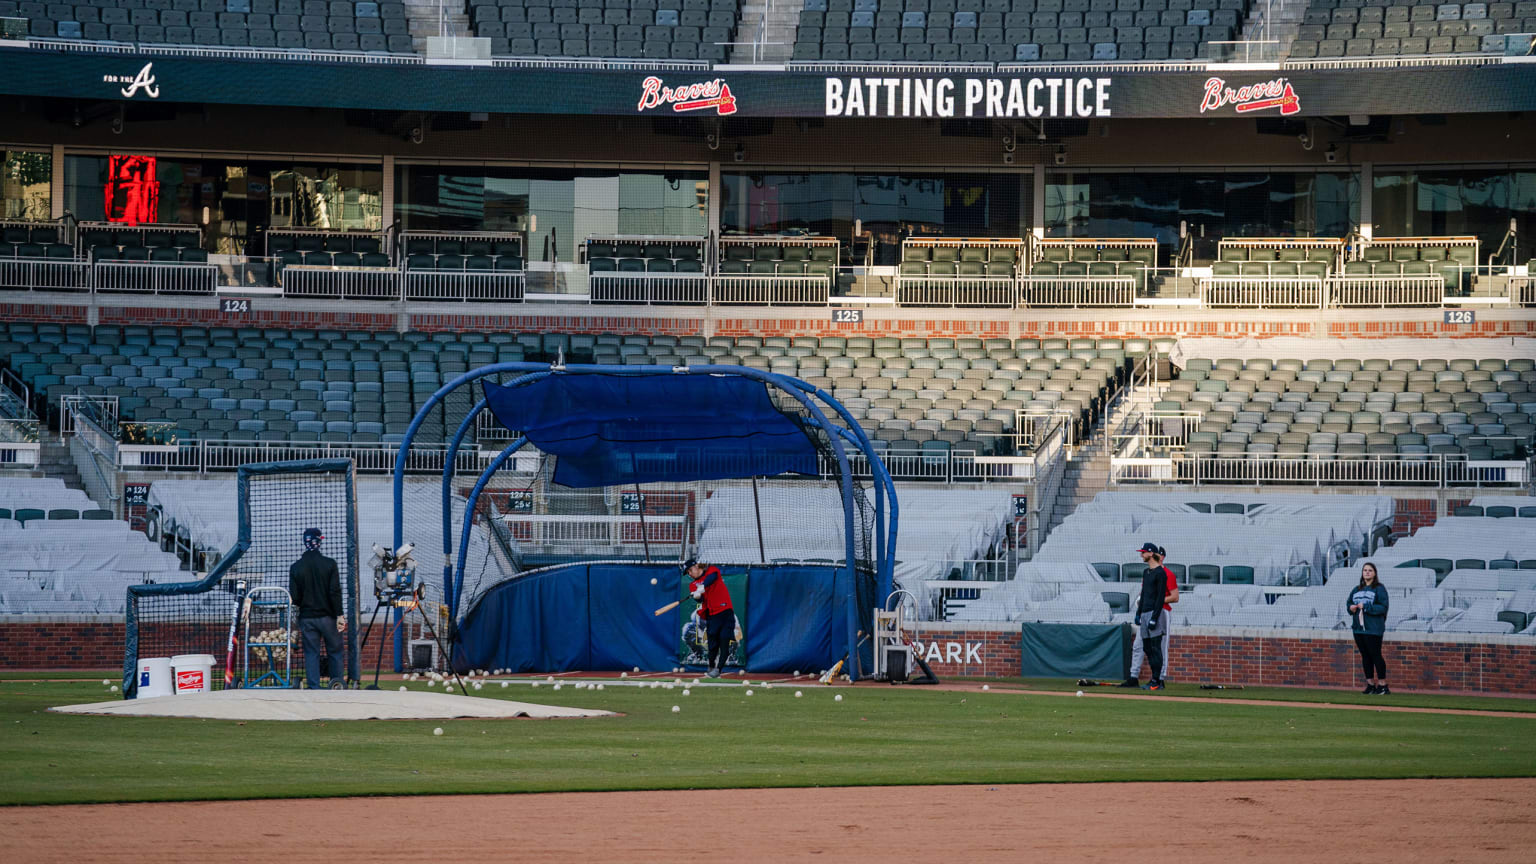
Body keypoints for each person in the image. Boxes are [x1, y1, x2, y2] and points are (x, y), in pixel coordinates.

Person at [289, 527, 347, 690]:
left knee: (311, 653)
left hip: (307, 617)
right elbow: (335, 591)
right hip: (328, 617)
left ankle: (314, 687)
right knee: (335, 651)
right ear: (319, 542)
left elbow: (295, 597)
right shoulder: (329, 564)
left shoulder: (296, 567)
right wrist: (339, 615)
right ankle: (336, 685)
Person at [1121, 542, 1178, 691]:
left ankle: (1159, 679)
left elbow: (1175, 597)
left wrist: (1154, 605)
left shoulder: (1166, 574)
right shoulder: (1148, 572)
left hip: (1160, 612)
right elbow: (1145, 592)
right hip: (1146, 611)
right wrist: (1140, 610)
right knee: (1140, 645)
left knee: (1160, 646)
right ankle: (1135, 677)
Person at [684, 558, 734, 678]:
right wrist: (697, 596)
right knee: (712, 644)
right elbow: (701, 599)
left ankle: (718, 670)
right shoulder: (692, 585)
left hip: (725, 611)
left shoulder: (711, 570)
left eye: (690, 570)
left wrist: (702, 587)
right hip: (712, 615)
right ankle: (711, 666)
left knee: (724, 641)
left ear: (696, 566)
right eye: (688, 573)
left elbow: (712, 578)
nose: (690, 574)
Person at [1349, 562, 1390, 695]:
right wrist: (1351, 608)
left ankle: (1383, 685)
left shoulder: (1379, 588)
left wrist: (1367, 607)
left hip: (1373, 629)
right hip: (1358, 629)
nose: (1367, 572)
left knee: (1375, 655)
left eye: (1370, 570)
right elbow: (1349, 603)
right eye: (1365, 570)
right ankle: (1370, 684)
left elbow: (1383, 607)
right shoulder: (1356, 589)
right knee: (1365, 656)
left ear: (1374, 573)